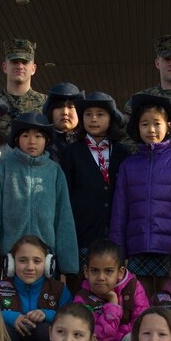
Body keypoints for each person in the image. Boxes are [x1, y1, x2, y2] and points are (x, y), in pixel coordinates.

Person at [110, 94, 171, 285]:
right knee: (137, 306)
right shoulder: (128, 165)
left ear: (168, 125)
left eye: (157, 123)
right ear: (137, 127)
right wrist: (118, 253)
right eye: (144, 124)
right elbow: (119, 212)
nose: (151, 130)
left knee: (168, 308)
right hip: (136, 250)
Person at [0, 113, 79, 275]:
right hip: (11, 255)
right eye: (25, 135)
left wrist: (69, 264)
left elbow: (64, 218)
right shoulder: (5, 166)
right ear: (17, 139)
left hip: (45, 256)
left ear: (46, 140)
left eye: (38, 136)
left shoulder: (54, 171)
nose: (32, 141)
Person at [62, 91, 130, 260]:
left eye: (100, 114)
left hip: (115, 231)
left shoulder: (123, 153)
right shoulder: (72, 152)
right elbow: (66, 193)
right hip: (82, 231)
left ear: (111, 118)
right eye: (88, 114)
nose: (93, 119)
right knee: (80, 282)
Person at [73, 238, 149, 341]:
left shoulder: (133, 288)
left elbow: (141, 323)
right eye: (95, 271)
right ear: (86, 271)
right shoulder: (82, 297)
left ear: (120, 272)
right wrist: (113, 305)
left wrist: (117, 338)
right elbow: (99, 337)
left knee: (134, 339)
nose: (101, 277)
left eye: (108, 271)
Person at [0, 235, 72, 341]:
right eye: (22, 260)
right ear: (11, 263)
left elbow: (71, 317)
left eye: (37, 261)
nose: (30, 267)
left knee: (44, 330)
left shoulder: (59, 289)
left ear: (48, 263)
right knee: (3, 329)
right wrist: (10, 317)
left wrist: (47, 314)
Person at [0, 39, 46, 138]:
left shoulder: (46, 103)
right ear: (5, 67)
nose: (20, 66)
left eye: (25, 62)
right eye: (14, 62)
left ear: (33, 69)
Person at [42, 82, 85, 160]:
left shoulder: (90, 143)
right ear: (50, 112)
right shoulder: (41, 145)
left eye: (70, 107)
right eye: (59, 107)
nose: (65, 112)